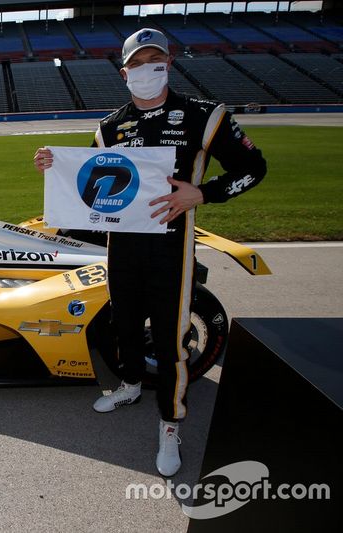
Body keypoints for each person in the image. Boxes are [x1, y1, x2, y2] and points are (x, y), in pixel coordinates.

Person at [34, 28, 266, 476]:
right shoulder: (108, 126)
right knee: (124, 325)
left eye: (154, 59)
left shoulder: (204, 114)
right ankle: (131, 384)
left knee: (169, 338)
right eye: (137, 63)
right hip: (121, 248)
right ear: (124, 72)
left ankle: (171, 422)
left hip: (170, 247)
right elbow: (88, 184)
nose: (146, 69)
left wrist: (203, 194)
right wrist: (54, 165)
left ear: (170, 62)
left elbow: (253, 168)